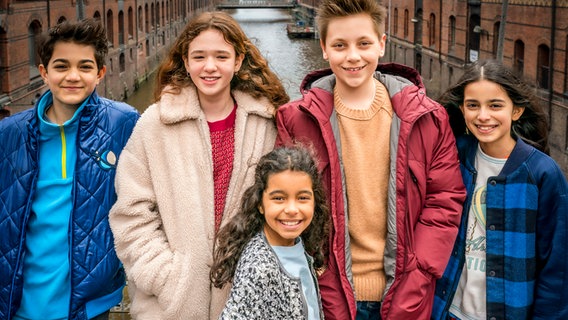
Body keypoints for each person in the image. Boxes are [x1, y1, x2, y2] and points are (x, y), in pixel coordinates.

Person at [275, 0, 467, 319]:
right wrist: (316, 270)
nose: (353, 56)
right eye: (340, 45)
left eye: (363, 43)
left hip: (406, 293)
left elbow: (445, 200)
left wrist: (418, 274)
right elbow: (285, 204)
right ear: (324, 48)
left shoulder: (428, 119)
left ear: (381, 44)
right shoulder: (296, 119)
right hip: (330, 296)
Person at [108, 11, 289, 319]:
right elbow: (131, 213)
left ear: (238, 60)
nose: (209, 67)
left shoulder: (267, 123)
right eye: (199, 56)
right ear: (186, 61)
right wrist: (165, 277)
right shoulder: (155, 124)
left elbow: (284, 204)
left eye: (221, 56)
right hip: (171, 306)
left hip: (246, 300)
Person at [0, 18, 139, 319]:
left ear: (100, 72)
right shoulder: (9, 133)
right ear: (44, 73)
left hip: (90, 304)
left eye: (85, 67)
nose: (73, 76)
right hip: (19, 303)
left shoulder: (124, 123)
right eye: (61, 66)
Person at [431, 59, 568, 320]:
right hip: (448, 311)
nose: (483, 116)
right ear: (462, 109)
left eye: (495, 105)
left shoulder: (542, 174)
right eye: (473, 105)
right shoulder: (453, 157)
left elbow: (557, 269)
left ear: (516, 110)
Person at [210, 145, 329, 319]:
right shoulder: (259, 268)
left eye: (302, 198)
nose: (291, 209)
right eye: (279, 198)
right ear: (260, 203)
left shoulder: (297, 244)